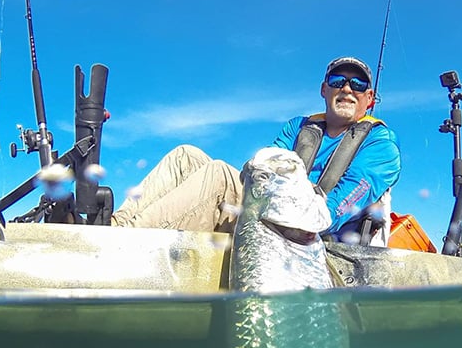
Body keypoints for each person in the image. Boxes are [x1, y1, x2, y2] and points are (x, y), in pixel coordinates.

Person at [110, 56, 402, 245]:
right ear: (324, 90)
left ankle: (123, 243)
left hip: (307, 232)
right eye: (338, 81)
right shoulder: (298, 127)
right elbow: (264, 163)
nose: (347, 89)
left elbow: (348, 199)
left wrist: (306, 215)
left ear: (370, 98)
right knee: (185, 156)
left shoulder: (381, 143)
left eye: (358, 83)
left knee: (219, 176)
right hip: (266, 207)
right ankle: (111, 229)